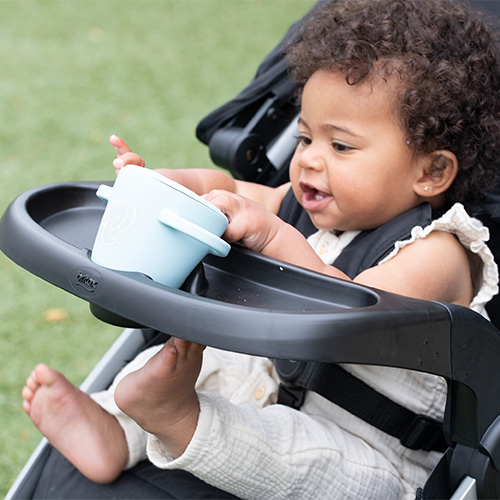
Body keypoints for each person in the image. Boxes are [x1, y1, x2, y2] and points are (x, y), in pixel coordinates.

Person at [21, 0, 500, 498]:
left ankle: (176, 418)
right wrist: (165, 187)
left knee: (296, 451)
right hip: (270, 388)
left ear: (431, 172)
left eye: (340, 146)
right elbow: (224, 187)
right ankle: (115, 430)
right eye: (305, 138)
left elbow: (354, 320)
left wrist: (274, 237)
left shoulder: (438, 251)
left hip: (367, 448)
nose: (309, 160)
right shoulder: (300, 203)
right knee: (186, 359)